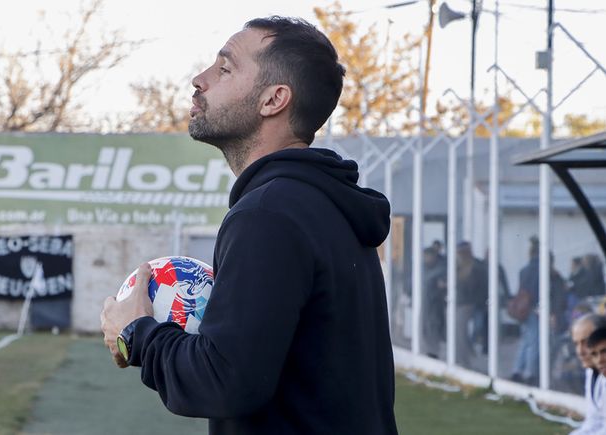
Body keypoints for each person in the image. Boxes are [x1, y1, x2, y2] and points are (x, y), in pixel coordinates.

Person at [100, 16, 398, 434]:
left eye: (224, 69)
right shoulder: (320, 205)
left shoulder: (269, 214)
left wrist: (139, 333)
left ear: (273, 100)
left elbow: (224, 381)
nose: (199, 80)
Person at [569, 314, 606, 435]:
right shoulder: (591, 371)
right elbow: (593, 422)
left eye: (585, 342)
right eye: (576, 344)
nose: (580, 351)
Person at [422, 246, 446, 358]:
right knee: (426, 327)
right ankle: (429, 350)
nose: (425, 258)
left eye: (428, 256)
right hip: (425, 303)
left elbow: (442, 285)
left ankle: (434, 352)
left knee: (434, 326)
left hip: (435, 304)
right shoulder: (423, 268)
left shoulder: (440, 269)